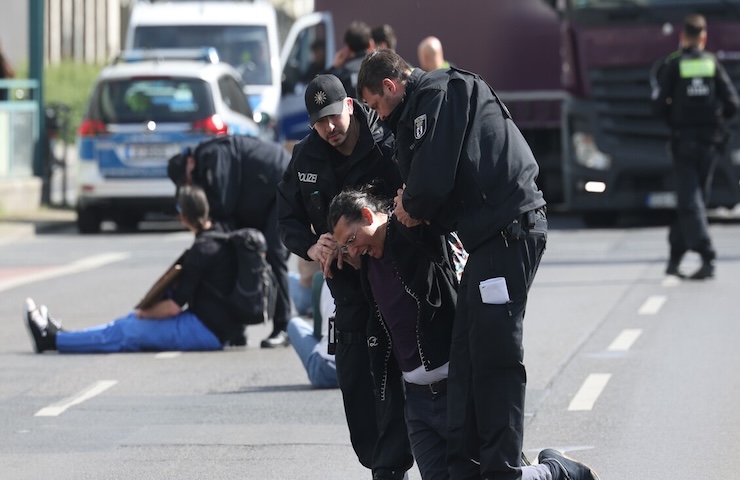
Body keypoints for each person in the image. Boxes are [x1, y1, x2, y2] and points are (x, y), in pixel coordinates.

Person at [357, 50, 548, 479]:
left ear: (390, 86)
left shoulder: (438, 93)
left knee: (494, 357)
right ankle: (467, 466)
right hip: (485, 242)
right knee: (465, 358)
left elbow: (429, 184)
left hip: (507, 233)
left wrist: (411, 202)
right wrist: (413, 202)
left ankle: (508, 471)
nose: (378, 116)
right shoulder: (417, 112)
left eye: (375, 105)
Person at [329, 188, 599, 480]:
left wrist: (417, 200)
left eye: (353, 240)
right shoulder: (367, 263)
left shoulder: (415, 230)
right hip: (416, 403)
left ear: (368, 215)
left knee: (494, 475)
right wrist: (319, 246)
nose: (353, 251)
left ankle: (556, 472)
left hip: (457, 390)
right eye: (346, 247)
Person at [276, 74, 412, 480]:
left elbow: (415, 196)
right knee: (357, 388)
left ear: (349, 105)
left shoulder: (385, 142)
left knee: (407, 388)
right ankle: (381, 466)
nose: (329, 128)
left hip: (394, 283)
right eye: (320, 122)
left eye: (334, 116)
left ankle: (393, 470)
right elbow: (286, 219)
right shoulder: (306, 157)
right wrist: (311, 247)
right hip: (348, 294)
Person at [24, 186, 243, 354]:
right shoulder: (221, 232)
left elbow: (173, 308)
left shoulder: (201, 250)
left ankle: (51, 340)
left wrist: (144, 313)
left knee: (126, 330)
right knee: (126, 324)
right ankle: (64, 336)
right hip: (216, 327)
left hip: (204, 331)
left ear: (183, 216)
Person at [167, 135, 292, 348]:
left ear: (189, 163)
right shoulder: (204, 161)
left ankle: (284, 326)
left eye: (187, 180)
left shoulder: (212, 155)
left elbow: (223, 203)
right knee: (236, 248)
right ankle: (236, 326)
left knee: (274, 253)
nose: (190, 185)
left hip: (282, 188)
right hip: (261, 197)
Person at [651, 13, 739, 280]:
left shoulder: (674, 64)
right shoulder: (712, 64)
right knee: (695, 201)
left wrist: (674, 121)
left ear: (682, 37)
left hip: (684, 142)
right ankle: (675, 257)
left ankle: (706, 253)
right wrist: (716, 119)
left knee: (690, 202)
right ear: (704, 37)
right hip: (710, 143)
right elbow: (733, 104)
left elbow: (656, 106)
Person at [287, 271, 338, 388]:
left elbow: (318, 332)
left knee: (294, 323)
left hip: (328, 368)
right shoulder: (375, 278)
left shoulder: (323, 279)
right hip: (365, 369)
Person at [328, 21, 375, 97]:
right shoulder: (379, 66)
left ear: (348, 48)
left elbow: (322, 87)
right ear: (371, 44)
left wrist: (334, 68)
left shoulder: (343, 73)